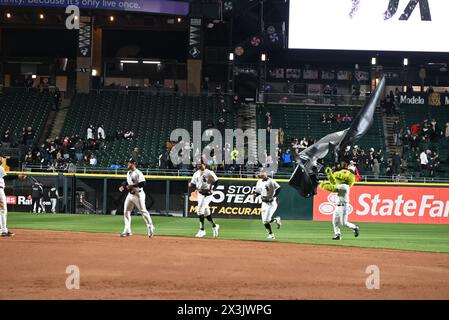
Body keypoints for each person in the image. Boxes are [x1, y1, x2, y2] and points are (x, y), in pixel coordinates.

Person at [320, 167, 360, 240]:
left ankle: (355, 227)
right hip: (337, 206)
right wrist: (329, 174)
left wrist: (324, 186)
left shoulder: (345, 186)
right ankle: (337, 235)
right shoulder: (340, 184)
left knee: (344, 223)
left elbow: (334, 189)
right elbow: (333, 182)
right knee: (335, 221)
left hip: (344, 206)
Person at [119, 159, 155, 238]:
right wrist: (123, 186)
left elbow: (143, 183)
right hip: (130, 195)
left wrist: (132, 186)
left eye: (129, 163)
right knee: (126, 211)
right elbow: (127, 182)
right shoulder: (129, 172)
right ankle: (127, 230)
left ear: (133, 164)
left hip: (138, 195)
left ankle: (150, 227)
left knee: (143, 211)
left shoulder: (138, 173)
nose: (127, 165)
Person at [189, 162, 220, 238]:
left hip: (207, 194)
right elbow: (193, 184)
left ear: (205, 165)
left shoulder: (209, 172)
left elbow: (216, 181)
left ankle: (202, 230)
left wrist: (213, 190)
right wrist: (191, 185)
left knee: (199, 210)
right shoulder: (195, 174)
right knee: (206, 212)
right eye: (198, 164)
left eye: (201, 164)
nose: (199, 165)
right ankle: (214, 226)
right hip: (200, 194)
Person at [0, 156, 27, 236]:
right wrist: (17, 176)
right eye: (1, 158)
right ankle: (4, 230)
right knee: (3, 210)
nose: (2, 159)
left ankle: (3, 229)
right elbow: (6, 177)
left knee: (1, 210)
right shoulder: (0, 168)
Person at [253, 170, 282, 240]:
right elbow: (258, 192)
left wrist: (274, 196)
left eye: (263, 174)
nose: (261, 175)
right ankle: (271, 235)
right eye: (261, 174)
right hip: (264, 203)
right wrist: (255, 195)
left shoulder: (271, 181)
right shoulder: (259, 182)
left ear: (266, 174)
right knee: (264, 221)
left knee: (266, 219)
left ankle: (276, 219)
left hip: (271, 203)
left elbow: (279, 188)